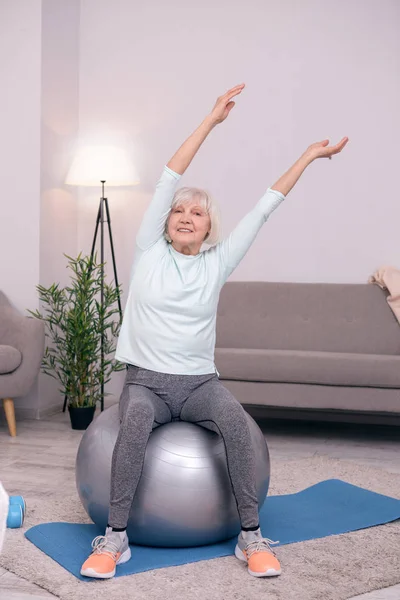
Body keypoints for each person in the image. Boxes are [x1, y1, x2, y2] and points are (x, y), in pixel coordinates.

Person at [81, 84, 349, 579]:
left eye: (197, 213)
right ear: (165, 224)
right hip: (145, 381)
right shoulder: (148, 252)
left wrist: (309, 155)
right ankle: (116, 538)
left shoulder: (218, 262)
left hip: (200, 383)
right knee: (134, 424)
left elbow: (266, 206)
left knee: (236, 423)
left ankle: (250, 536)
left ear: (209, 229)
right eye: (179, 212)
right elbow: (170, 174)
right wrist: (210, 121)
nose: (186, 217)